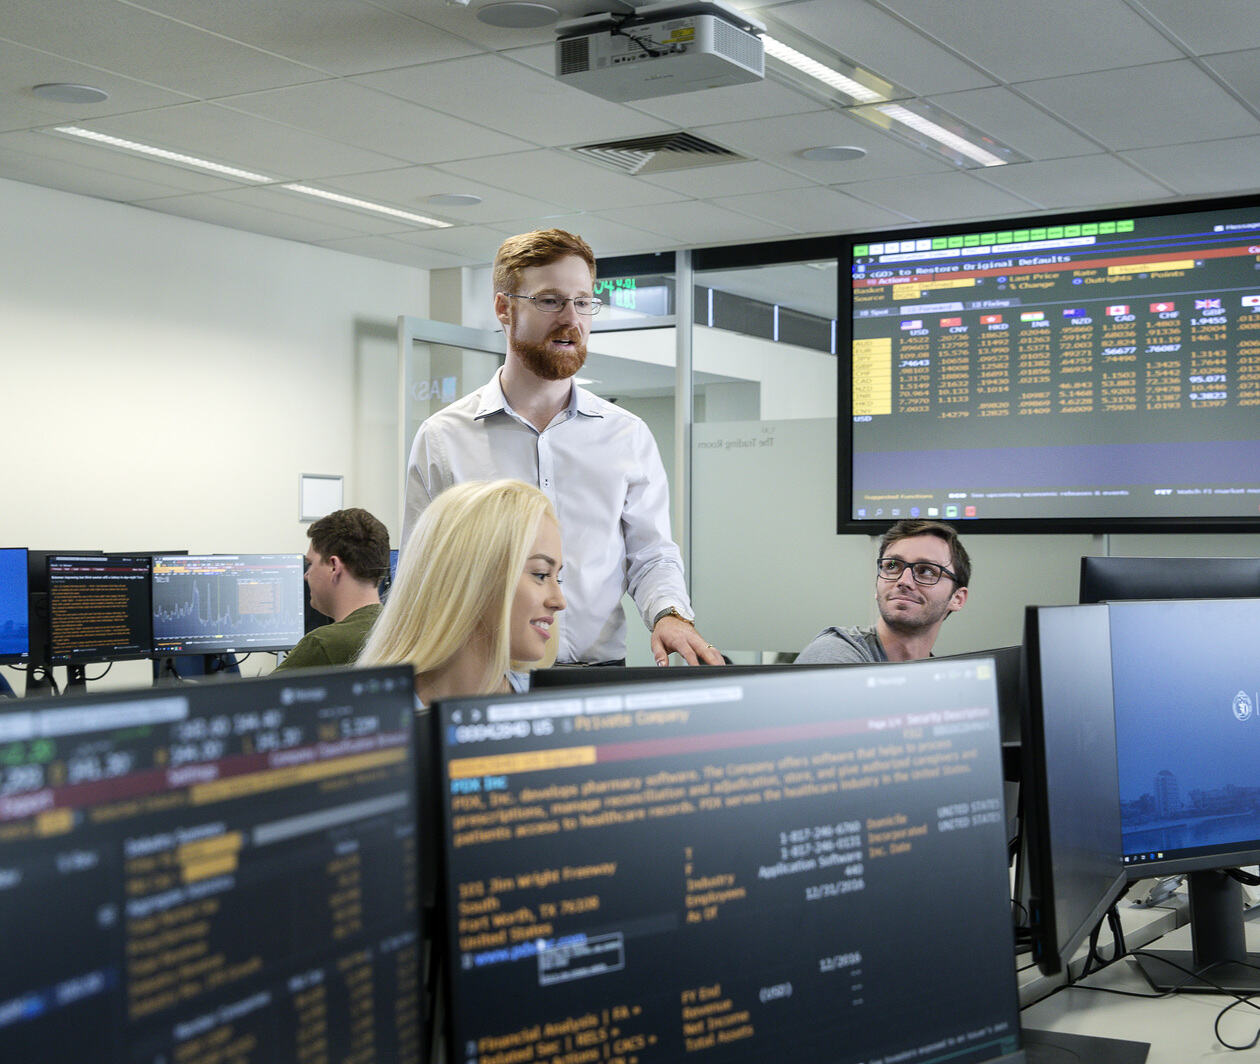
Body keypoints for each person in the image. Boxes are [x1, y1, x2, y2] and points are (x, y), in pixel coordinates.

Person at [401, 228, 721, 669]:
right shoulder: (445, 438)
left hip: (599, 677)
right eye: (550, 300)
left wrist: (670, 614)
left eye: (584, 302)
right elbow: (422, 577)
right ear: (504, 308)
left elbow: (650, 555)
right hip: (486, 678)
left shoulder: (626, 435)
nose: (572, 319)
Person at [358, 479, 565, 706]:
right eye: (541, 574)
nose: (559, 601)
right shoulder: (370, 722)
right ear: (473, 578)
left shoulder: (552, 710)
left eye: (558, 577)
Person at [797, 519, 970, 664]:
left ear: (957, 599)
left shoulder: (940, 677)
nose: (903, 581)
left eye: (926, 571)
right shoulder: (834, 653)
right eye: (892, 566)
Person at [275, 507, 390, 672]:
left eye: (310, 564)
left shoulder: (322, 644)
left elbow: (252, 697)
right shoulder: (400, 631)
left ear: (334, 566)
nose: (306, 575)